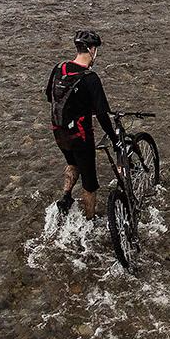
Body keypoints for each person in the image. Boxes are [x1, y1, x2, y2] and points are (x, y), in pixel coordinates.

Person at [46, 28, 114, 218]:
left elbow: (49, 97)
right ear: (92, 50)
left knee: (71, 162)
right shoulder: (90, 78)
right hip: (81, 136)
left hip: (59, 132)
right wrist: (114, 138)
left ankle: (66, 196)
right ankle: (89, 221)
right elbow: (102, 114)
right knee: (90, 183)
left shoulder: (59, 68)